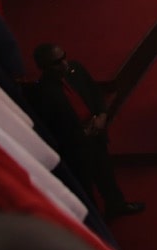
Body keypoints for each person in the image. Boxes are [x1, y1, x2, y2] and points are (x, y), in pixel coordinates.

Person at [29, 44, 144, 218]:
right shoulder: (41, 93)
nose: (64, 64)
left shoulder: (76, 69)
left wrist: (102, 116)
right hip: (76, 146)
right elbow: (51, 126)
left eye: (64, 57)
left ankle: (116, 205)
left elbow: (95, 94)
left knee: (106, 174)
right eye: (56, 62)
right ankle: (95, 221)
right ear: (44, 67)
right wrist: (80, 135)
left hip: (96, 133)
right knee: (85, 185)